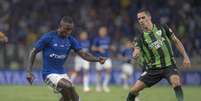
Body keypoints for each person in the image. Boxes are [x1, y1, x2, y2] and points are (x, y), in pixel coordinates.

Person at [26, 16, 106, 101]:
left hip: (62, 74)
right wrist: (29, 72)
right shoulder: (49, 37)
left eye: (70, 29)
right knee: (68, 86)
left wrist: (97, 59)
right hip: (49, 74)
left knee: (72, 97)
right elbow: (33, 52)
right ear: (60, 26)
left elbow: (84, 55)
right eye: (66, 29)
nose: (68, 32)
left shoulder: (71, 40)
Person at [126, 9, 191, 101]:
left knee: (176, 82)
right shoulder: (140, 38)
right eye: (139, 19)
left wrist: (185, 56)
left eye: (143, 17)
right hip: (153, 69)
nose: (141, 20)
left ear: (149, 17)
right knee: (133, 91)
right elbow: (136, 50)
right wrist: (135, 54)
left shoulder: (163, 28)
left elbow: (176, 41)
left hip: (169, 65)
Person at [91, 26, 113, 92]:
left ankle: (105, 85)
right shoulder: (96, 39)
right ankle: (98, 86)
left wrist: (111, 48)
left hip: (107, 58)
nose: (103, 32)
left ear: (106, 32)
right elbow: (92, 48)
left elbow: (110, 46)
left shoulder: (108, 38)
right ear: (99, 32)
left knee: (109, 70)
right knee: (99, 72)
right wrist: (98, 49)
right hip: (99, 58)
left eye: (104, 31)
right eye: (101, 31)